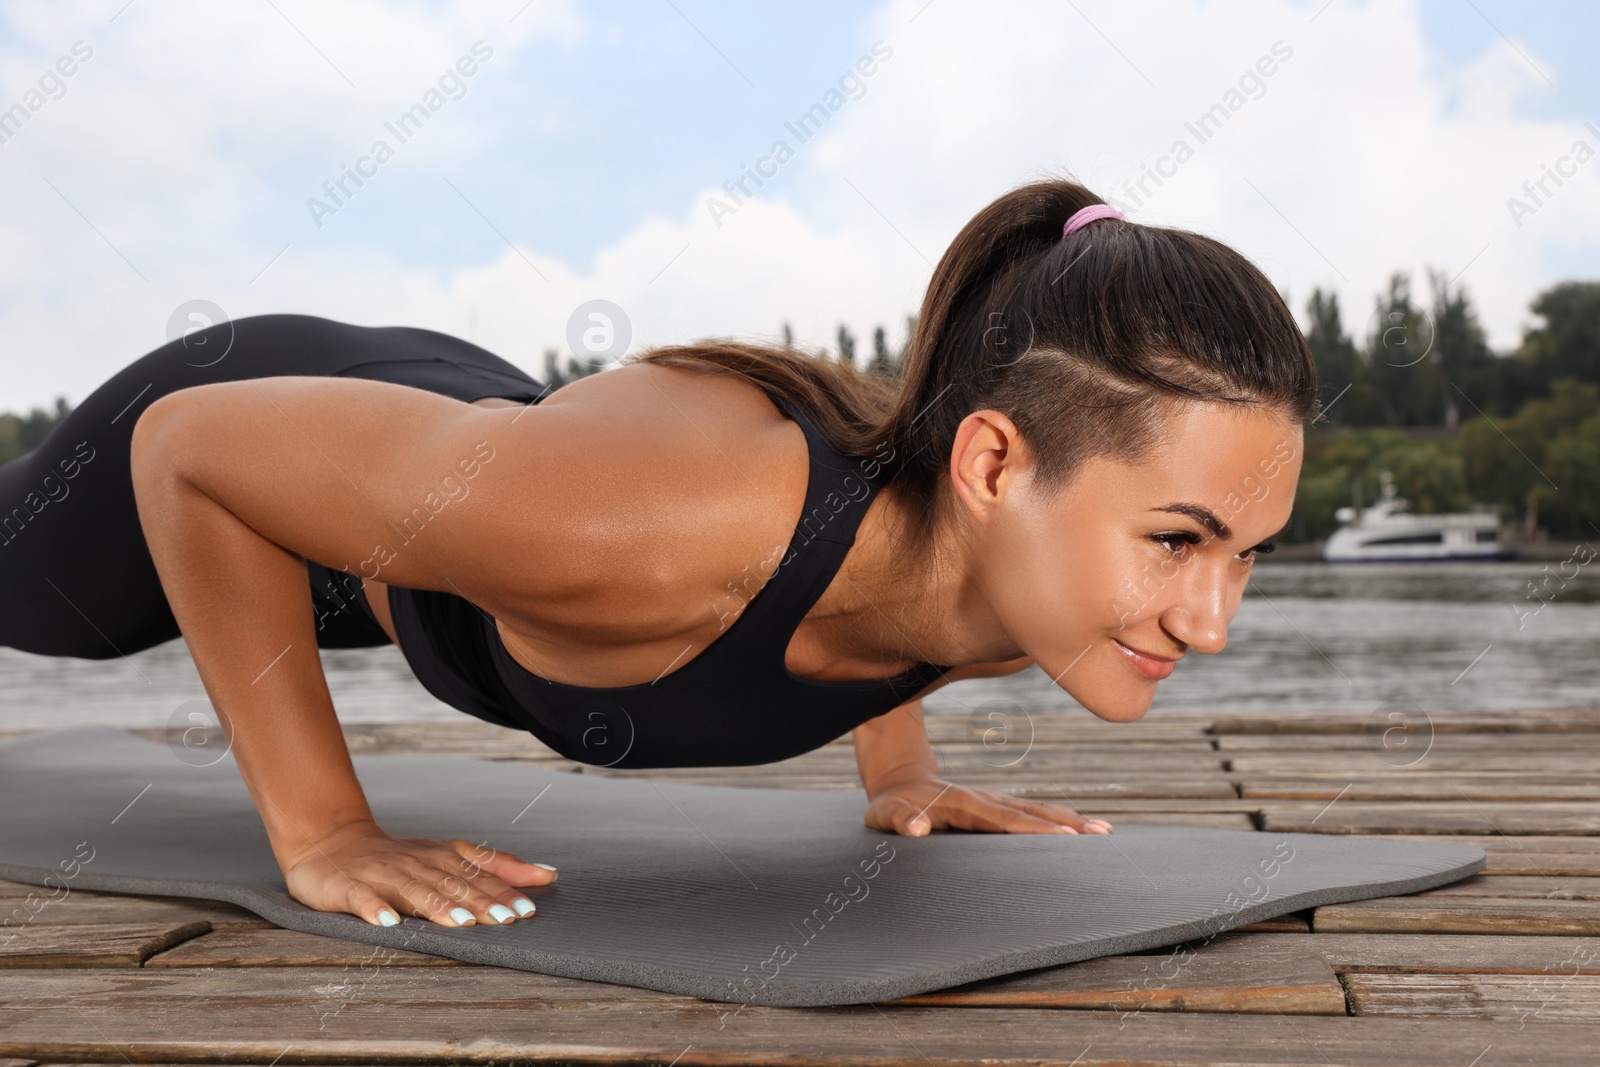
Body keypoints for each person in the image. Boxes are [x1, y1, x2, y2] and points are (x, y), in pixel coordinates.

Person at [0, 178, 1313, 930]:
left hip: (475, 476)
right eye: (1179, 542)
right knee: (44, 604)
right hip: (258, 432)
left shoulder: (1016, 571)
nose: (1211, 621)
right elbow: (186, 450)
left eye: (1247, 555)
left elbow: (906, 615)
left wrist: (902, 778)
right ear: (989, 467)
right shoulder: (631, 537)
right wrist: (329, 831)